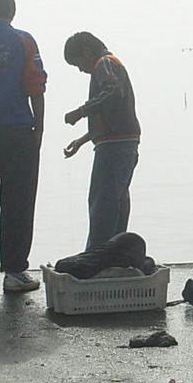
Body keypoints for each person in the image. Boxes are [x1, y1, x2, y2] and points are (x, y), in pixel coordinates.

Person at [0, 0, 46, 292]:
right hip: (17, 133)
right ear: (12, 13)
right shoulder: (23, 40)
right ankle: (15, 272)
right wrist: (39, 130)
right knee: (18, 202)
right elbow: (36, 87)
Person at [63, 32, 141, 253]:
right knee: (117, 202)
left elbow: (112, 92)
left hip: (114, 147)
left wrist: (81, 111)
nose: (80, 69)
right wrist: (81, 141)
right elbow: (111, 114)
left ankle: (96, 255)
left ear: (86, 52)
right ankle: (114, 253)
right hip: (123, 143)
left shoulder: (104, 64)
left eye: (78, 63)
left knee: (103, 203)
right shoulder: (111, 64)